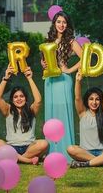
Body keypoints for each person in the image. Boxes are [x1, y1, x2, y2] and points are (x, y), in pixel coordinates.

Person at [41, 11, 82, 162]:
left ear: (67, 24)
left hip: (63, 80)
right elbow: (44, 61)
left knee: (63, 112)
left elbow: (85, 57)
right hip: (50, 81)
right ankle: (52, 151)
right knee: (51, 113)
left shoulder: (70, 41)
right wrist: (43, 64)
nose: (61, 25)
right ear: (54, 23)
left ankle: (66, 152)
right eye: (59, 21)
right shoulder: (48, 40)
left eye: (64, 22)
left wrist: (70, 70)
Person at [0, 64, 48, 164]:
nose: (19, 99)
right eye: (16, 97)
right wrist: (5, 78)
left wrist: (30, 78)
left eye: (21, 96)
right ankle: (26, 160)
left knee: (44, 143)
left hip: (29, 147)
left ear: (26, 99)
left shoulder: (31, 110)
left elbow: (38, 100)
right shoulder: (8, 110)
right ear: (12, 100)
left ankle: (16, 159)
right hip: (11, 147)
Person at [67, 63, 103, 168]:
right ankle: (100, 161)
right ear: (87, 101)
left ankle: (87, 164)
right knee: (71, 149)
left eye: (97, 99)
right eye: (91, 99)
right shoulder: (82, 113)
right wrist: (78, 81)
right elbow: (77, 98)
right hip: (85, 153)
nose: (94, 102)